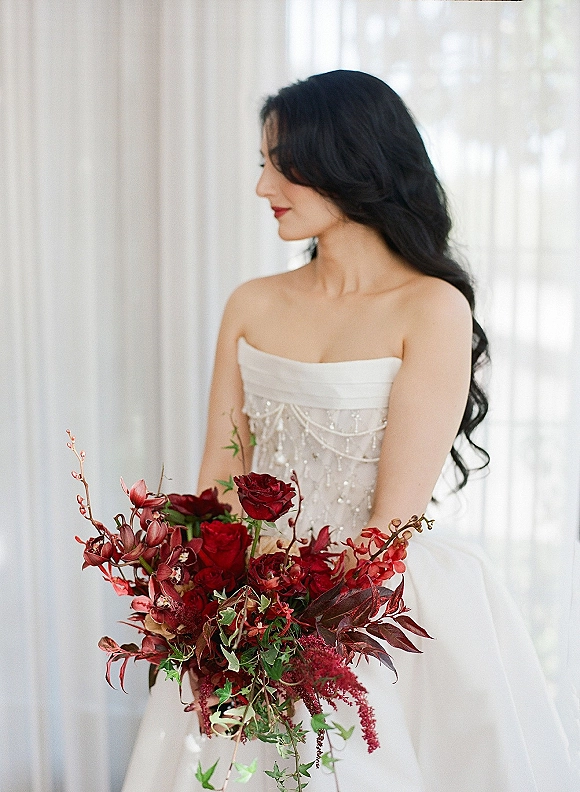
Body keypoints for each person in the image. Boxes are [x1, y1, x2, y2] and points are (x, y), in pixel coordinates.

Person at [122, 70, 574, 792]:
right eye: (261, 164)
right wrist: (208, 606)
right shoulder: (252, 303)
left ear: (347, 161)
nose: (263, 188)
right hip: (245, 608)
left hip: (373, 605)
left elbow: (393, 519)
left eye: (279, 164)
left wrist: (299, 628)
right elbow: (217, 480)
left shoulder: (432, 307)